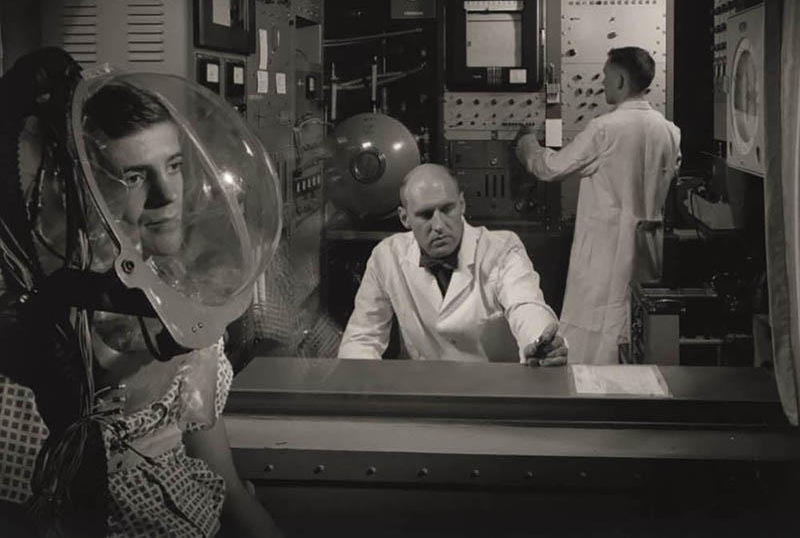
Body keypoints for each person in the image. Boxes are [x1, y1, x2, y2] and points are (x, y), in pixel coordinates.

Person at [0, 64, 282, 537]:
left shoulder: (184, 312)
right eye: (134, 176)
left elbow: (227, 489)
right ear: (86, 190)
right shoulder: (34, 342)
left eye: (174, 165)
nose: (168, 195)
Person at [515, 46, 681, 365]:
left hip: (603, 255)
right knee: (638, 334)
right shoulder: (670, 132)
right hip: (648, 253)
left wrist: (526, 145)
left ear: (619, 80)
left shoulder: (604, 129)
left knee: (592, 343)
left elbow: (551, 168)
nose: (602, 84)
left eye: (605, 77)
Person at [338, 163, 567, 365]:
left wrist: (540, 342)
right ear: (404, 218)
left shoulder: (503, 249)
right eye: (425, 215)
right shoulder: (387, 256)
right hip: (422, 390)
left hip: (494, 388)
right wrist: (358, 398)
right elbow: (363, 338)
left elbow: (526, 306)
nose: (438, 225)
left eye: (447, 209)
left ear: (462, 205)